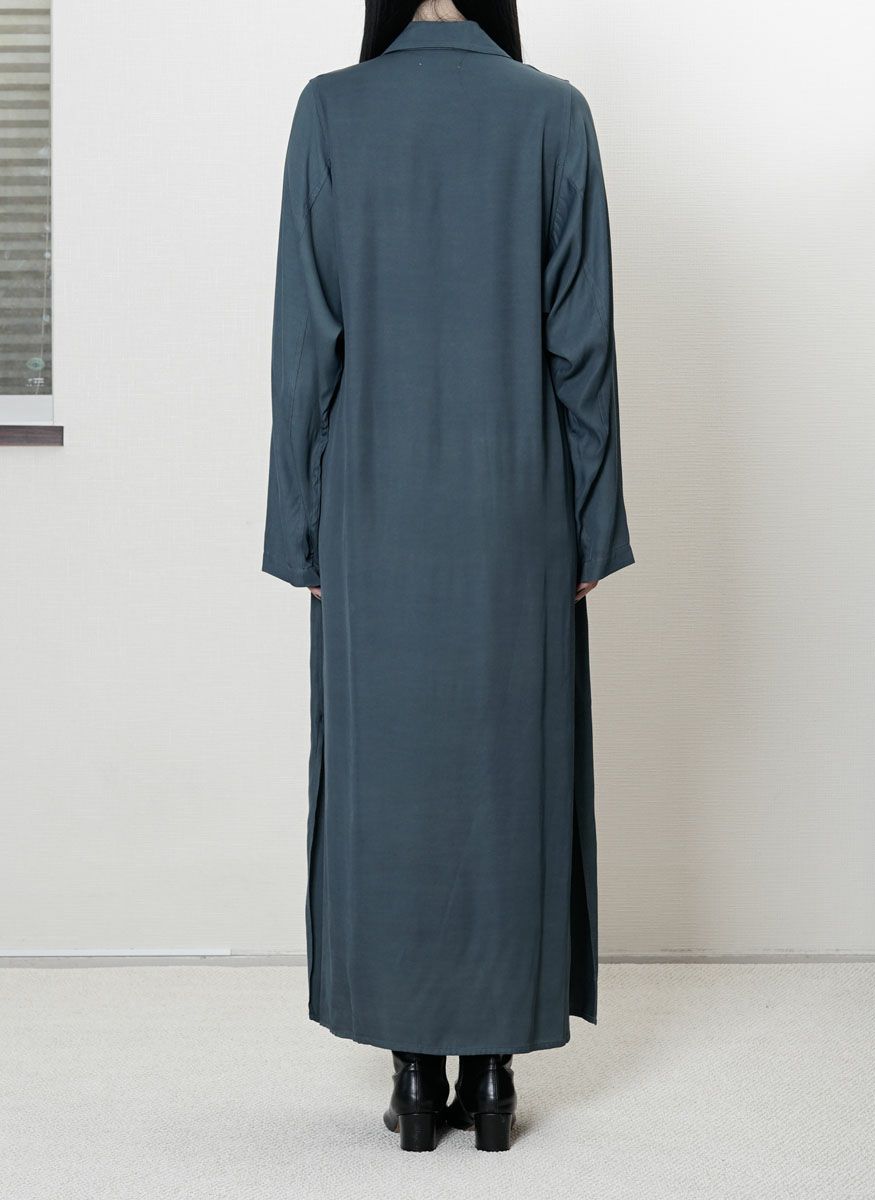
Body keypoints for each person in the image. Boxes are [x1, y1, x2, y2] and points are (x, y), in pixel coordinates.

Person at [262, 0, 635, 1153]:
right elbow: (583, 346)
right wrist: (591, 526)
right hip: (518, 509)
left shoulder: (331, 111)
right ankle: (496, 1080)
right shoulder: (553, 115)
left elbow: (306, 341)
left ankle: (415, 1079)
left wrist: (301, 531)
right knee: (511, 775)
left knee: (388, 781)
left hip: (371, 514)